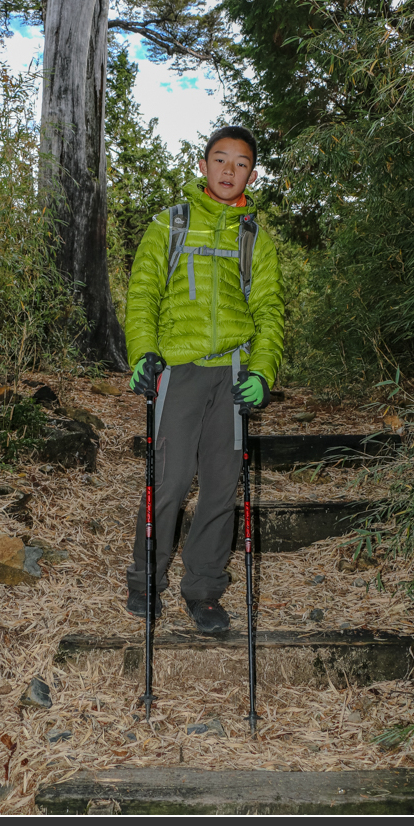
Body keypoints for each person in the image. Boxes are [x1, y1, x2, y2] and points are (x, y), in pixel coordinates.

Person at [123, 126, 284, 635]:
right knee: (167, 483)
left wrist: (262, 370)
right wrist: (142, 353)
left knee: (219, 490)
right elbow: (143, 295)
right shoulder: (167, 226)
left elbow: (269, 311)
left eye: (240, 164)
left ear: (251, 175)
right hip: (179, 371)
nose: (229, 170)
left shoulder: (255, 238)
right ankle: (146, 580)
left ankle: (205, 590)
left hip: (233, 375)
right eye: (220, 159)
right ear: (203, 165)